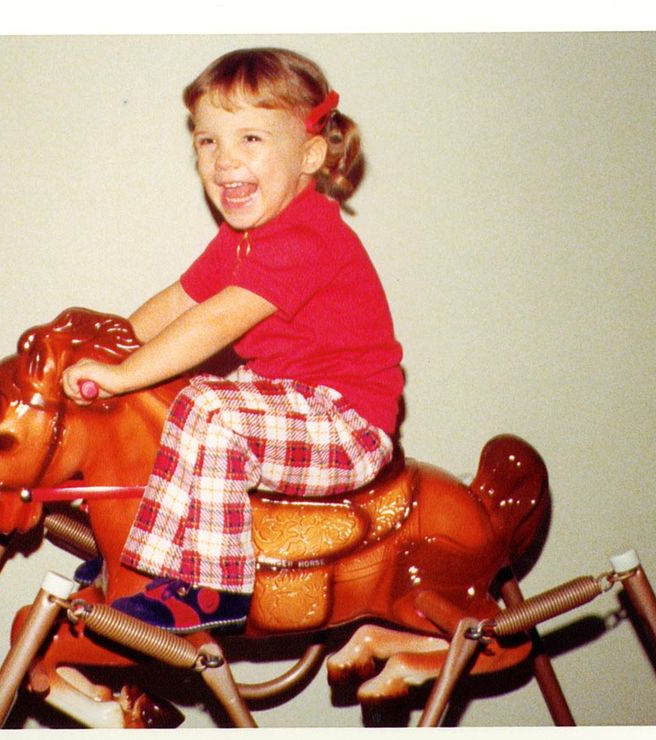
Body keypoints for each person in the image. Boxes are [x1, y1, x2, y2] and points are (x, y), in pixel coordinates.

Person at [61, 47, 404, 633]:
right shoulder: (239, 238)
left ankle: (212, 588)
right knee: (169, 401)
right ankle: (143, 553)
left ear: (310, 154)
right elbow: (179, 299)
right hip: (290, 402)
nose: (224, 161)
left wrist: (122, 374)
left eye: (250, 139)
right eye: (207, 141)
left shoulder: (307, 234)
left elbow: (215, 321)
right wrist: (114, 344)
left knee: (207, 409)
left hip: (347, 424)